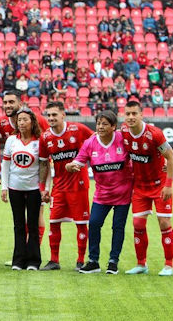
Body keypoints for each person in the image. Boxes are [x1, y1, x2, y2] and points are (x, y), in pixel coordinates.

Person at [65, 111, 133, 274]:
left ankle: (113, 262)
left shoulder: (123, 139)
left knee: (118, 227)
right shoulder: (90, 143)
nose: (100, 127)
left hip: (123, 194)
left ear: (113, 126)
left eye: (104, 124)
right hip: (102, 195)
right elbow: (77, 161)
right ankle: (93, 261)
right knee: (94, 223)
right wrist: (70, 166)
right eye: (98, 123)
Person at [121, 102, 173, 276]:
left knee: (164, 223)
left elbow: (171, 156)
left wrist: (168, 185)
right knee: (137, 223)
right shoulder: (123, 133)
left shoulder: (154, 134)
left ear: (141, 115)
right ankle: (141, 264)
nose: (131, 117)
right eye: (128, 114)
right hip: (140, 186)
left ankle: (169, 265)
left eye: (134, 114)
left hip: (160, 185)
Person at [39, 101, 94, 271]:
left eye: (55, 115)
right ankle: (54, 260)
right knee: (54, 222)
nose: (51, 118)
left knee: (81, 223)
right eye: (48, 115)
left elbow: (96, 142)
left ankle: (80, 260)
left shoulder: (78, 129)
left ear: (63, 115)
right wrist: (43, 189)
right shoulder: (45, 137)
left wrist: (88, 162)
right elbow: (43, 165)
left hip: (79, 185)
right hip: (59, 186)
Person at [1, 108, 43, 271]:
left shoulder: (39, 141)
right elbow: (5, 166)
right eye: (19, 120)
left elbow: (44, 167)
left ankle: (33, 261)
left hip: (33, 189)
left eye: (25, 119)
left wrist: (44, 189)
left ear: (32, 122)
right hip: (15, 188)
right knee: (18, 224)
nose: (22, 123)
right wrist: (4, 187)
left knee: (32, 224)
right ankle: (18, 260)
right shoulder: (11, 140)